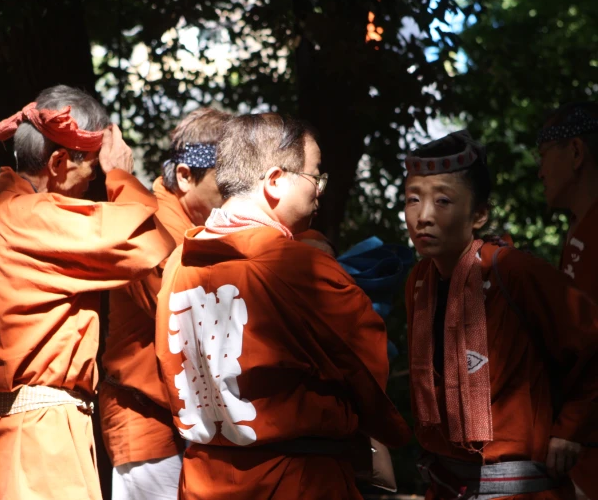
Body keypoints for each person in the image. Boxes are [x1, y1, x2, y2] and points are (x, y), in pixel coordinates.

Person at [0, 85, 175, 500]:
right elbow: (147, 242)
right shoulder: (37, 218)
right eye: (90, 169)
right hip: (43, 435)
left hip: (3, 428)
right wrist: (121, 177)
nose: (92, 180)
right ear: (59, 161)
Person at [154, 113, 411, 499]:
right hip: (297, 480)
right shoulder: (297, 266)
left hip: (203, 477)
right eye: (314, 175)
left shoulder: (177, 263)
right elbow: (369, 368)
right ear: (274, 180)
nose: (320, 189)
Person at [403, 129, 598, 500]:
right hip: (446, 484)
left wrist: (570, 429)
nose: (423, 216)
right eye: (413, 199)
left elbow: (593, 345)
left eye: (442, 200)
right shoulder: (419, 282)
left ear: (479, 214)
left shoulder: (514, 272)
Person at [99, 107, 231, 500]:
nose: (237, 192)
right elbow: (177, 305)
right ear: (186, 177)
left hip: (193, 423)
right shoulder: (148, 221)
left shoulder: (203, 226)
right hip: (146, 421)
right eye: (226, 182)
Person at [537, 101, 598, 500]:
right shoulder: (582, 228)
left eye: (545, 157)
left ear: (575, 152)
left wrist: (572, 425)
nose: (540, 171)